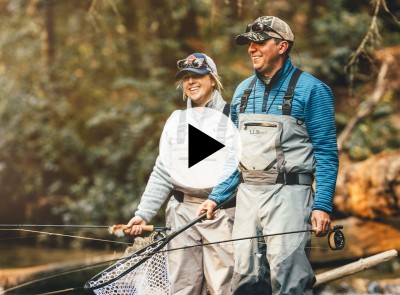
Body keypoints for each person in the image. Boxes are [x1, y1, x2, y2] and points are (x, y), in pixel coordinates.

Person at [197, 16, 339, 294]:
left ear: (282, 46)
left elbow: (326, 153)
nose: (251, 49)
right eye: (249, 43)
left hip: (291, 196)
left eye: (260, 42)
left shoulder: (313, 90)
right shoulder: (242, 91)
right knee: (246, 278)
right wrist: (216, 196)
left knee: (289, 279)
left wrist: (322, 205)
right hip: (248, 197)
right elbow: (234, 154)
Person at [125, 53, 235, 295]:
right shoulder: (176, 122)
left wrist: (217, 199)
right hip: (181, 214)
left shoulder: (232, 116)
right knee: (183, 287)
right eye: (186, 78)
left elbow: (238, 167)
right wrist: (143, 214)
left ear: (212, 80)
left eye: (197, 76)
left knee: (223, 286)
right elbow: (163, 171)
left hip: (221, 214)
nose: (190, 82)